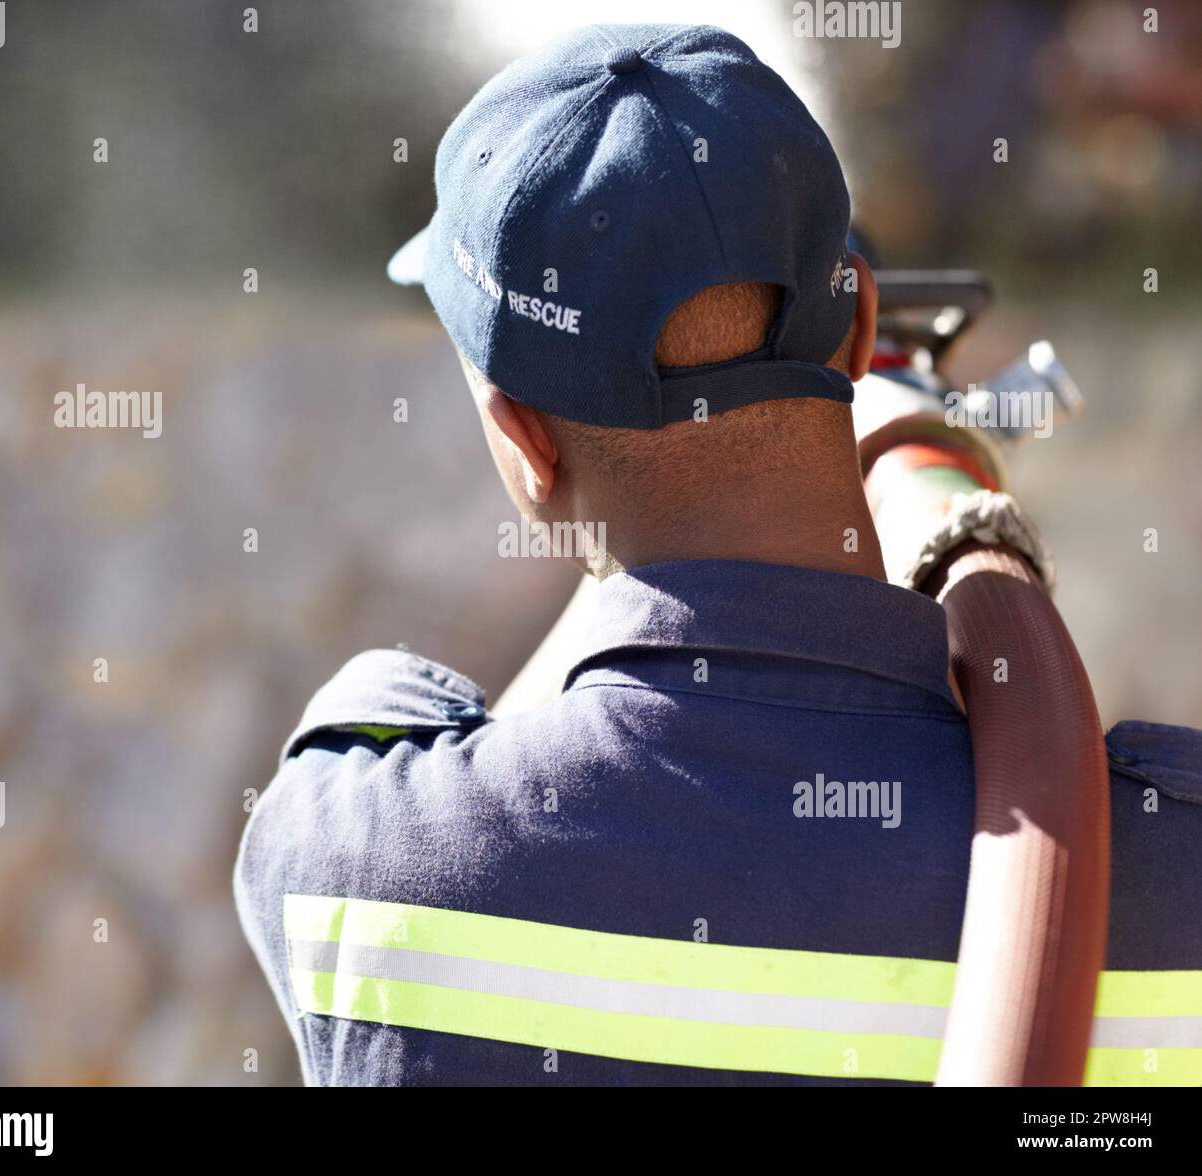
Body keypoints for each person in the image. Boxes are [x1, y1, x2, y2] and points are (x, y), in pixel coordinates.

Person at [234, 23, 1201, 1087]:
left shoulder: (351, 860)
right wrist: (907, 457)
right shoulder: (1165, 870)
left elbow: (499, 726)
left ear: (523, 438)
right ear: (857, 324)